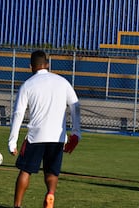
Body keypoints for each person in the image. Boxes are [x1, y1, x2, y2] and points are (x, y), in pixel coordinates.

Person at [8, 50, 81, 208]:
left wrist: (12, 141)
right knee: (52, 171)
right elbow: (76, 106)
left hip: (36, 136)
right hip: (58, 137)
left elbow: (18, 113)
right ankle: (50, 194)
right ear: (47, 64)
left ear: (31, 66)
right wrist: (76, 133)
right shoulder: (62, 82)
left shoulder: (28, 85)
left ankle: (17, 205)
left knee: (25, 171)